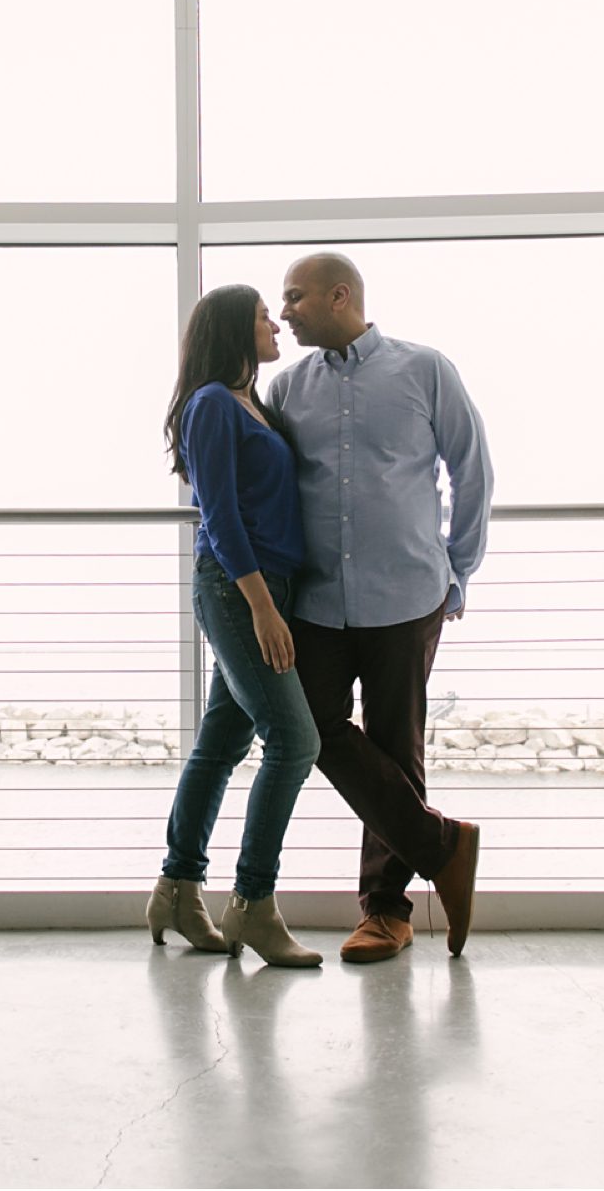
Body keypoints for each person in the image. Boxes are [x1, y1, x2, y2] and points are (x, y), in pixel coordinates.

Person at [267, 252, 493, 962]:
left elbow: (472, 469)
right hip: (316, 600)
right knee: (311, 728)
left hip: (407, 594)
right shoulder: (286, 386)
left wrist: (458, 569)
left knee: (397, 744)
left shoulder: (425, 369)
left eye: (295, 297)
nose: (284, 312)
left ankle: (387, 912)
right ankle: (443, 845)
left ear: (340, 296)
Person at [149, 283, 324, 968]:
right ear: (232, 329)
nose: (276, 324)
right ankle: (252, 902)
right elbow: (218, 516)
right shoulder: (212, 404)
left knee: (222, 742)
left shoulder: (252, 403)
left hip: (262, 584)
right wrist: (261, 606)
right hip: (238, 587)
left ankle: (177, 889)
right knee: (294, 740)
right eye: (262, 317)